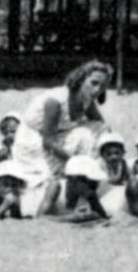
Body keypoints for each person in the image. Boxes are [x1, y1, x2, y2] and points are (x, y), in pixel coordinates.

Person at [14, 60, 112, 189]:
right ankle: (77, 173)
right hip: (33, 143)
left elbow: (102, 127)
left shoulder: (87, 99)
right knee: (84, 136)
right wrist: (77, 162)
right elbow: (47, 142)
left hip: (58, 137)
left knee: (101, 129)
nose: (97, 89)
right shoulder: (56, 101)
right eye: (94, 83)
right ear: (81, 79)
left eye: (102, 86)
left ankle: (94, 172)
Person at [39, 155, 109, 223]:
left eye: (96, 182)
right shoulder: (55, 186)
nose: (95, 186)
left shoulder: (90, 194)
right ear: (74, 179)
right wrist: (68, 218)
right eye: (91, 183)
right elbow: (39, 218)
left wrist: (92, 215)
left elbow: (104, 217)